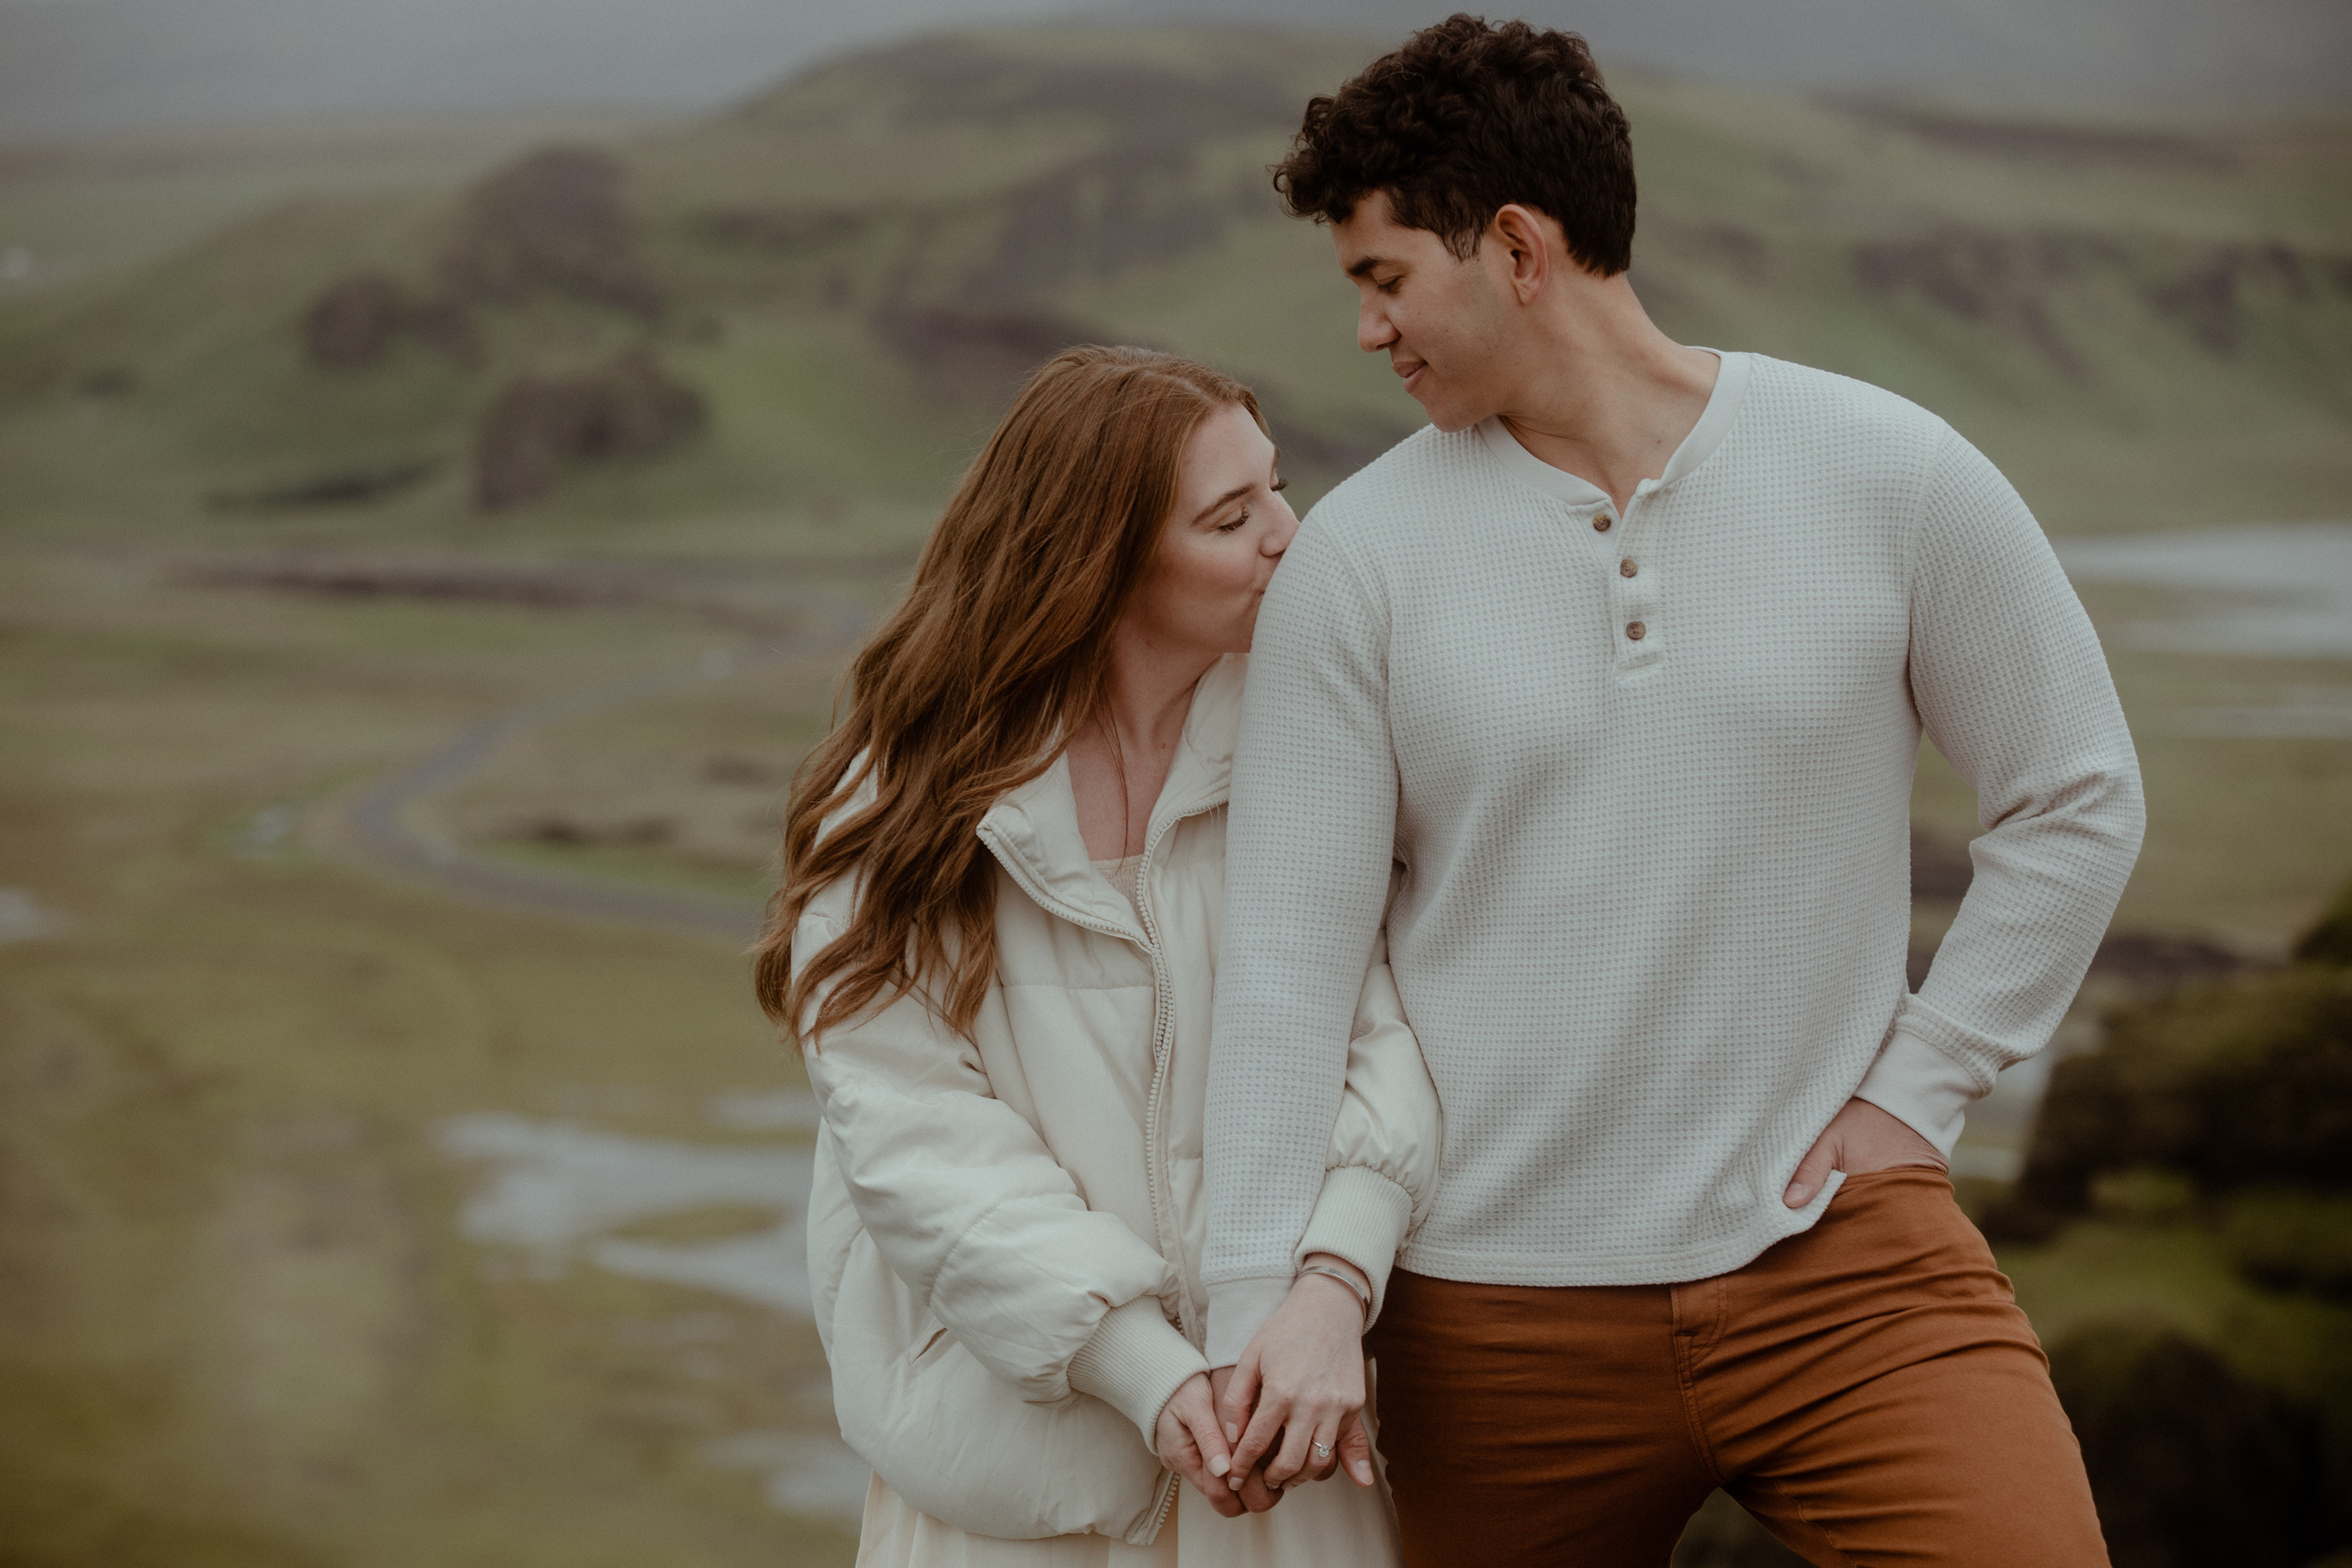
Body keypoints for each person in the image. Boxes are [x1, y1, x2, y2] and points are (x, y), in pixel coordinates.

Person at [1201, 17, 2145, 1566]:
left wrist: (1926, 1086)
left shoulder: (1890, 472)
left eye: (1383, 278)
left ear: (1517, 246)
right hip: (1491, 1317)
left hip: (1844, 1267)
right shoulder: (1357, 565)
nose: (1367, 333)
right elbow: (1292, 968)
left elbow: (2077, 794)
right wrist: (1264, 1298)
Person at [755, 345, 1440, 1568]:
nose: (1294, 533)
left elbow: (1391, 1037)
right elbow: (911, 1139)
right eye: (1234, 517)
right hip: (1018, 1475)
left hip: (1292, 1448)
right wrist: (1144, 1370)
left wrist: (1334, 1290)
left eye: (1278, 488)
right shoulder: (903, 811)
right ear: (1102, 567)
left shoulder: (1326, 744)